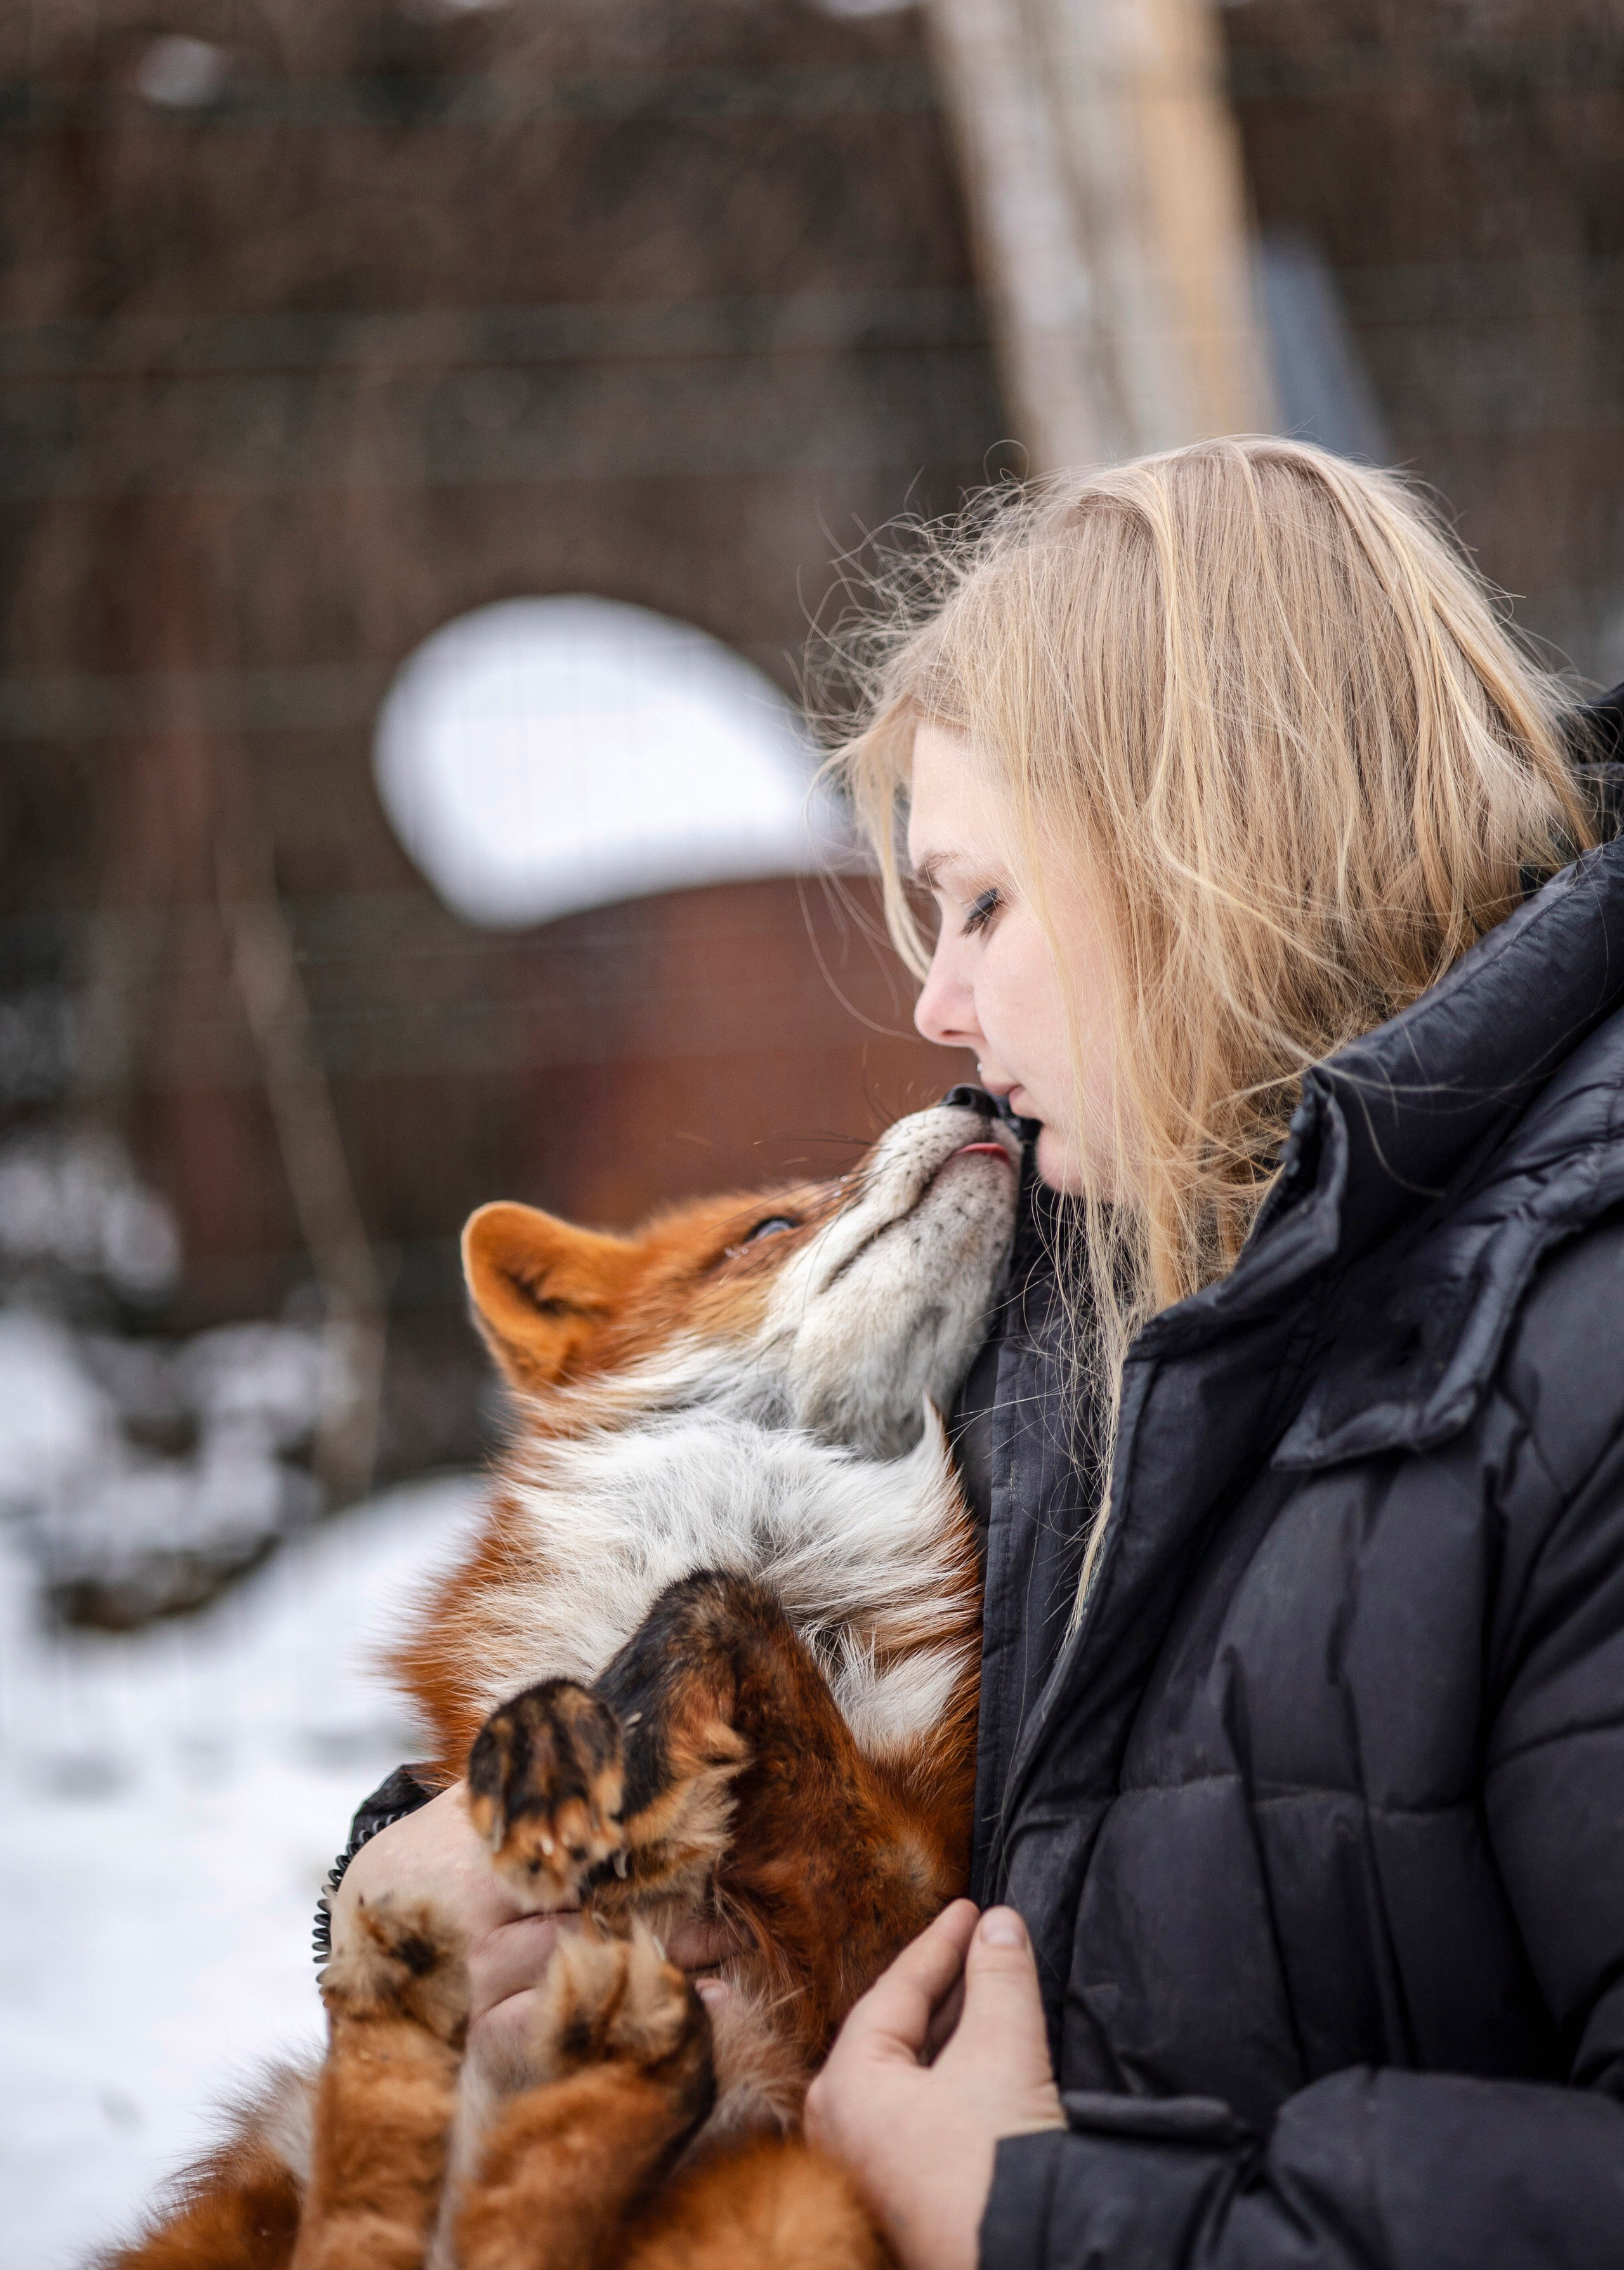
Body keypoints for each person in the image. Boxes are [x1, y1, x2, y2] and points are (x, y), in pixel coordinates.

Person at [336, 438, 1624, 2267]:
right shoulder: (1072, 1275)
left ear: (1207, 847)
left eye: (985, 902)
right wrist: (418, 1852)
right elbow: (772, 1658)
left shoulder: (1583, 1356)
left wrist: (1042, 2224)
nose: (936, 1006)